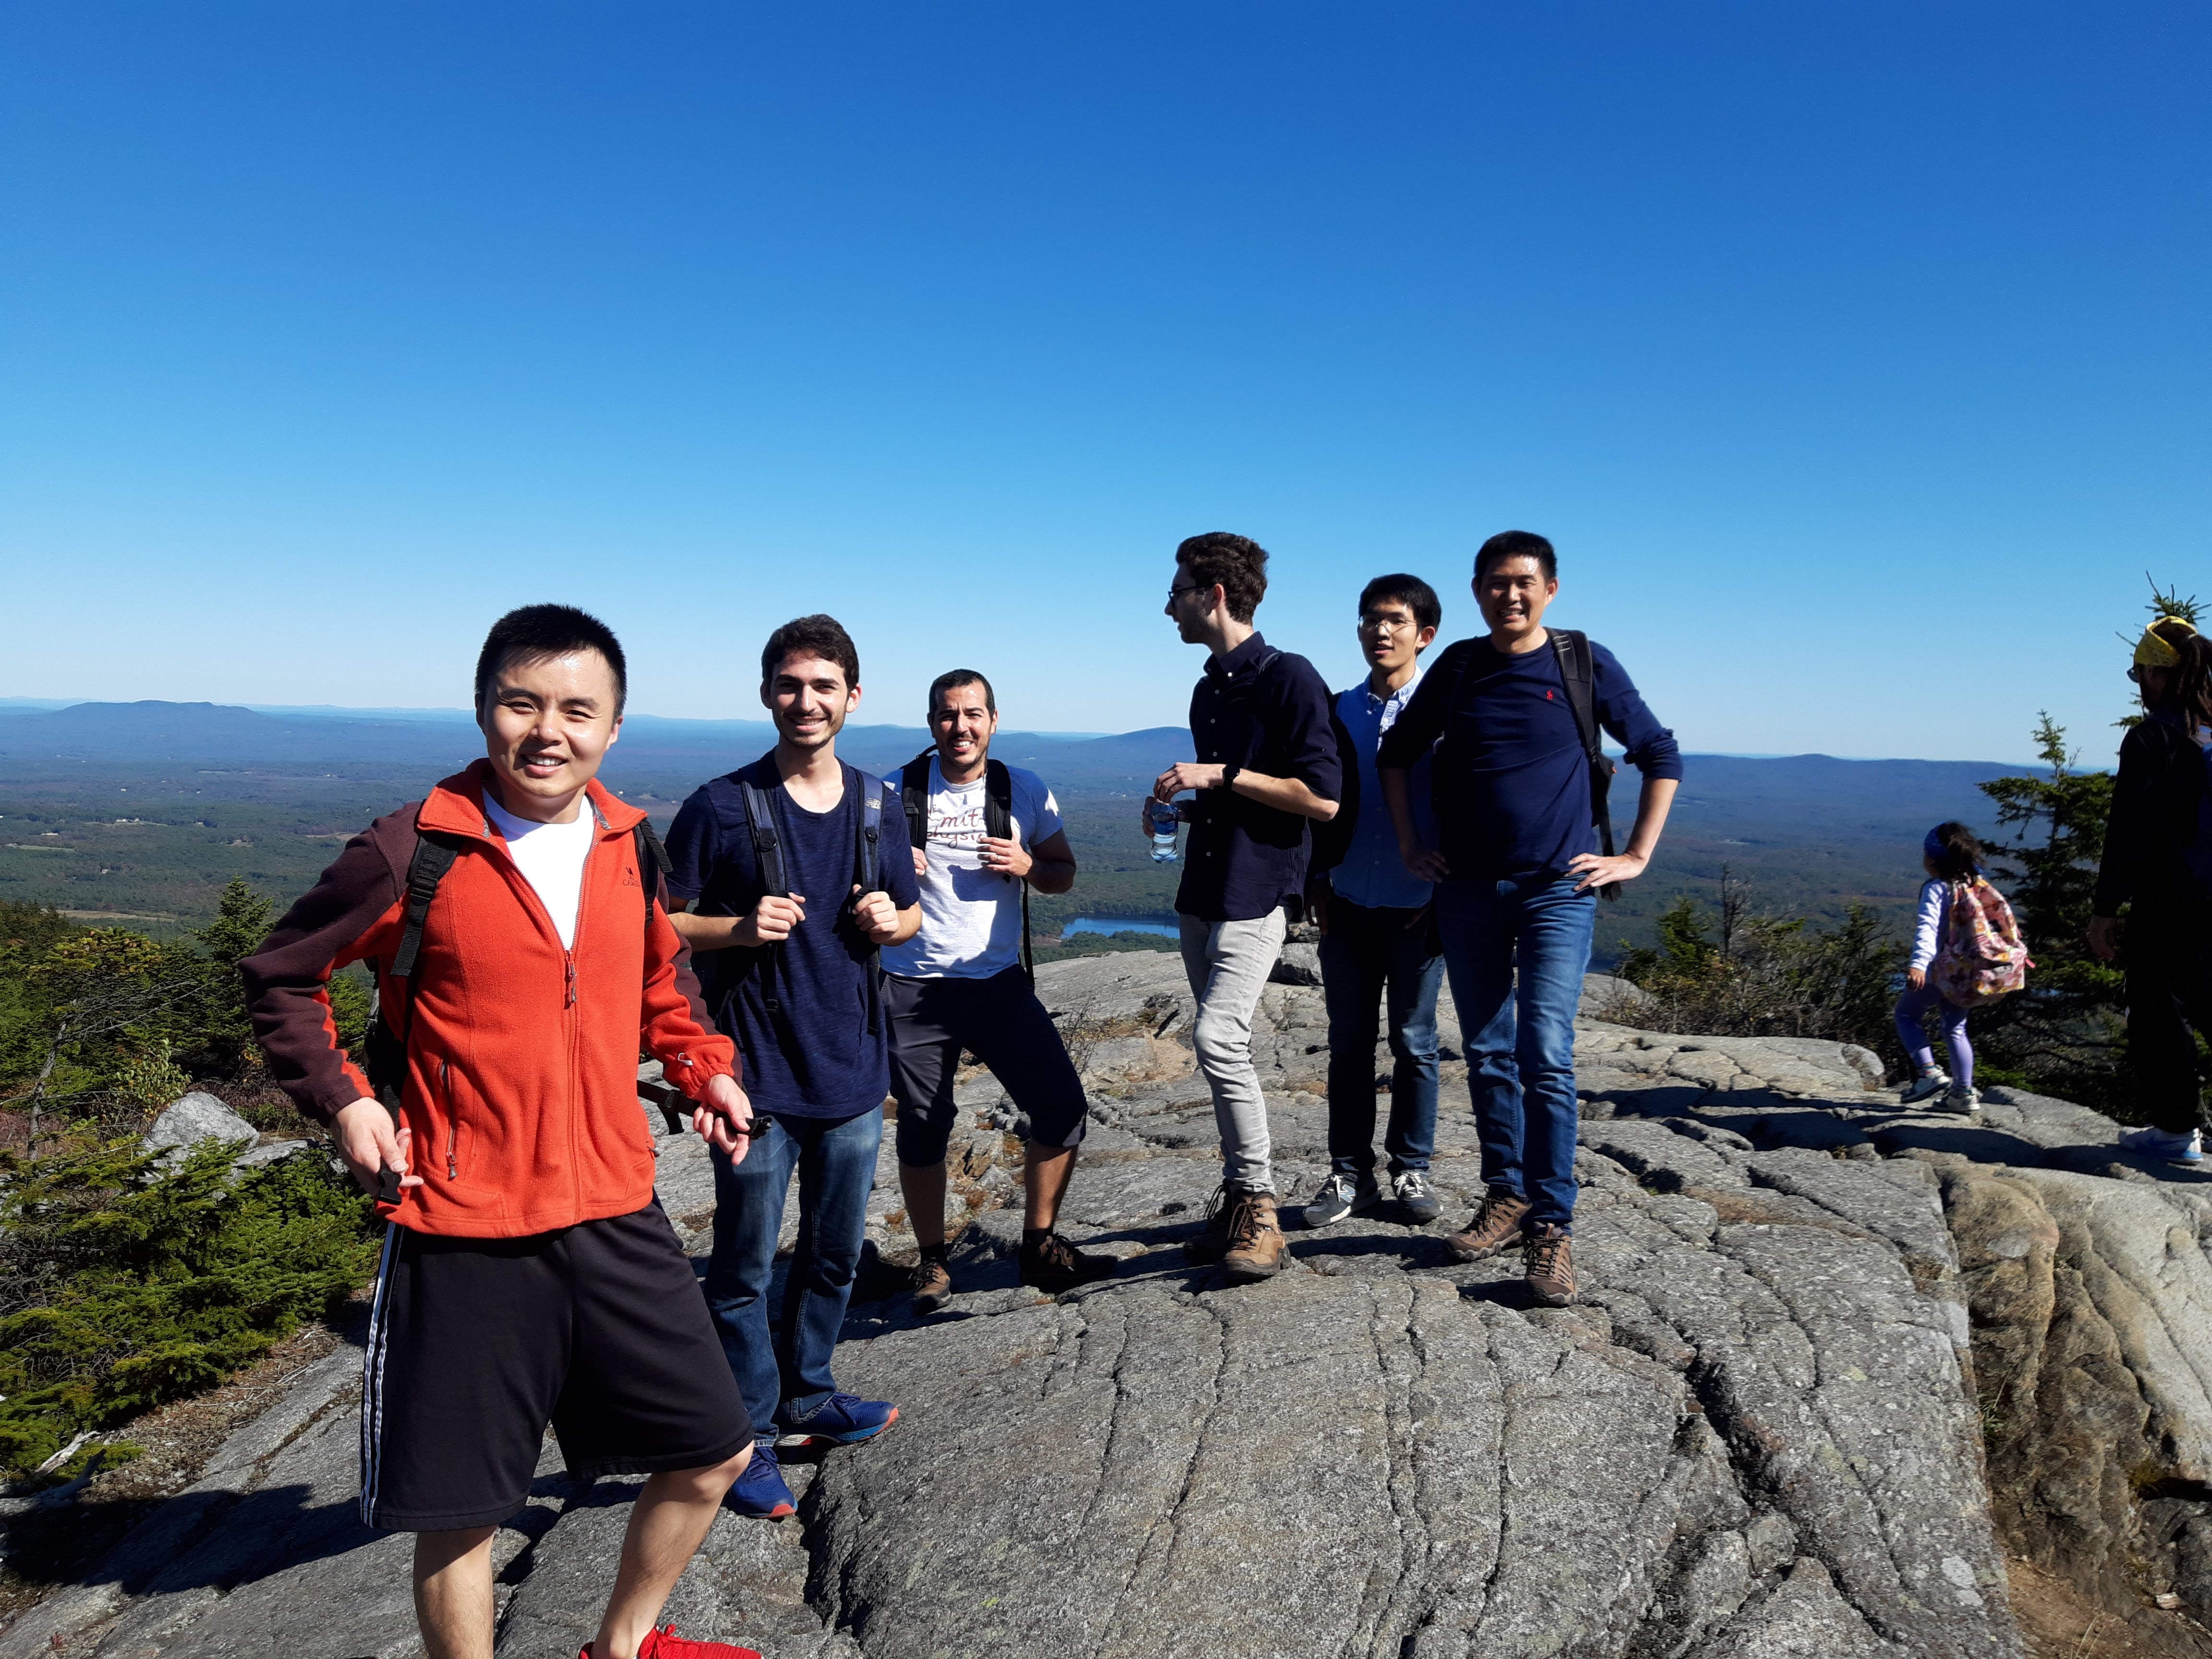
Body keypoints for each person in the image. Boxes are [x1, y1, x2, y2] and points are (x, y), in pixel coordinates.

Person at [240, 604, 763, 1659]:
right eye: (523, 703)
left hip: (613, 1202)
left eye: (578, 709)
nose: (548, 731)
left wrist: (703, 1067)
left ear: (615, 727)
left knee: (715, 1450)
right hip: (465, 1219)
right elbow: (282, 976)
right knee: (462, 1511)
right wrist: (346, 1098)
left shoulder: (626, 841)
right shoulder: (413, 849)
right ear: (485, 709)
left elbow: (658, 982)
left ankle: (620, 1646)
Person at [661, 615, 922, 1520]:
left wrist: (895, 920)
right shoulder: (721, 805)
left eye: (823, 686)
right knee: (739, 1266)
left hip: (851, 1072)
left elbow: (914, 915)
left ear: (852, 696)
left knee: (835, 1252)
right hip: (759, 1077)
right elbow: (654, 925)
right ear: (766, 692)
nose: (805, 702)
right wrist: (736, 928)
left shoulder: (880, 804)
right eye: (789, 685)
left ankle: (807, 1392)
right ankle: (747, 1437)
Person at [1378, 530, 1681, 1309]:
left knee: (1543, 1050)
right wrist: (1413, 843)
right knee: (1485, 1051)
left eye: (1522, 583)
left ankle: (1552, 1224)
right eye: (1493, 584)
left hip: (1557, 888)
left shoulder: (1581, 661)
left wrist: (1636, 855)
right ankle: (1505, 1197)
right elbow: (1398, 753)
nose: (1508, 595)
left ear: (1549, 588)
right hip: (1469, 889)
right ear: (1477, 591)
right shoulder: (1461, 665)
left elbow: (1657, 751)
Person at [884, 670, 1115, 1314]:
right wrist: (892, 868)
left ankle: (1038, 1245)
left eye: (973, 714)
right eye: (948, 715)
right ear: (932, 723)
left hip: (998, 984)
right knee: (925, 1128)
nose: (961, 727)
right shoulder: (893, 795)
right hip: (913, 985)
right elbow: (855, 888)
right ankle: (932, 1263)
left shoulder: (1023, 790)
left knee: (1062, 1107)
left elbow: (1063, 875)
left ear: (993, 720)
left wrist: (1028, 867)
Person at [1154, 531, 1342, 1282]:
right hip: (1202, 888)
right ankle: (1237, 1202)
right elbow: (1231, 799)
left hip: (1257, 895)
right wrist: (1185, 806)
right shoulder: (1210, 688)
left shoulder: (1288, 678)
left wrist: (1219, 774)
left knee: (1218, 1039)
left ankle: (1261, 1212)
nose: (1167, 606)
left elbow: (1322, 799)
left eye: (1177, 592)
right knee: (1220, 1049)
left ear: (1215, 595)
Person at [1301, 574, 1447, 1228]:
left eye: (1393, 620)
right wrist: (1315, 881)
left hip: (1421, 906)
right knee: (1349, 1044)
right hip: (1348, 900)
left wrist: (1449, 893)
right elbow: (1315, 808)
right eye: (1368, 619)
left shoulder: (1449, 714)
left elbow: (1471, 809)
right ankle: (1349, 1174)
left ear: (1425, 634)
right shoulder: (1337, 711)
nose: (1378, 631)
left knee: (1415, 1042)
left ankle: (1411, 1167)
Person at [2090, 615, 2212, 1164]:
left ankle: (2175, 1130)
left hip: (2172, 897)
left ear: (2158, 673)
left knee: (2160, 1010)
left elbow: (2129, 831)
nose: (2136, 682)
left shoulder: (2153, 738)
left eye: (2137, 671)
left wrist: (2105, 910)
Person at [1895, 822, 1991, 1116]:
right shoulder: (1978, 885)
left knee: (1906, 1015)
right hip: (1969, 972)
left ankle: (1928, 1074)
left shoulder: (1937, 889)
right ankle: (1963, 1092)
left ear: (1933, 860)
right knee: (1956, 1028)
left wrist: (1918, 965)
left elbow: (1927, 929)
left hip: (1939, 971)